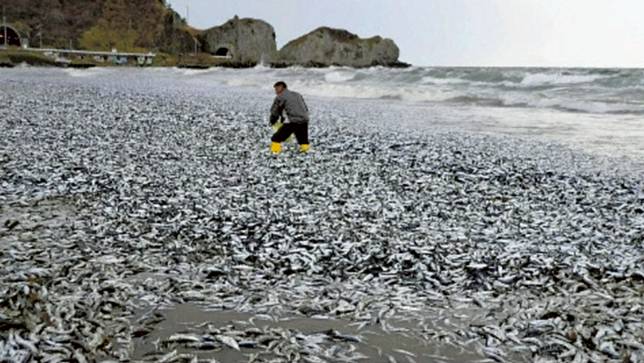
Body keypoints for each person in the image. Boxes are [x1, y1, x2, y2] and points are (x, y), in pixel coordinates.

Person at [269, 81, 310, 154]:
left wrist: (272, 120)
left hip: (293, 121)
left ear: (282, 87)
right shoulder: (297, 94)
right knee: (303, 138)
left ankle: (275, 151)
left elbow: (275, 111)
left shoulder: (280, 97)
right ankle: (305, 150)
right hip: (305, 119)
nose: (276, 91)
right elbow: (305, 108)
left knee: (276, 138)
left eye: (277, 89)